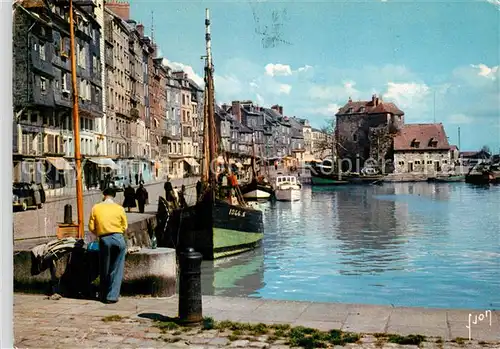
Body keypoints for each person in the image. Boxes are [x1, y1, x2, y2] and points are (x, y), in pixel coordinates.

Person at [88, 188, 128, 304]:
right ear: (114, 196)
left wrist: (100, 233)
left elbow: (91, 227)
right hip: (118, 238)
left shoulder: (96, 208)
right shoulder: (119, 208)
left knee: (104, 267)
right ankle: (112, 296)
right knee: (117, 268)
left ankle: (103, 294)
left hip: (104, 239)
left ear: (104, 195)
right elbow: (124, 226)